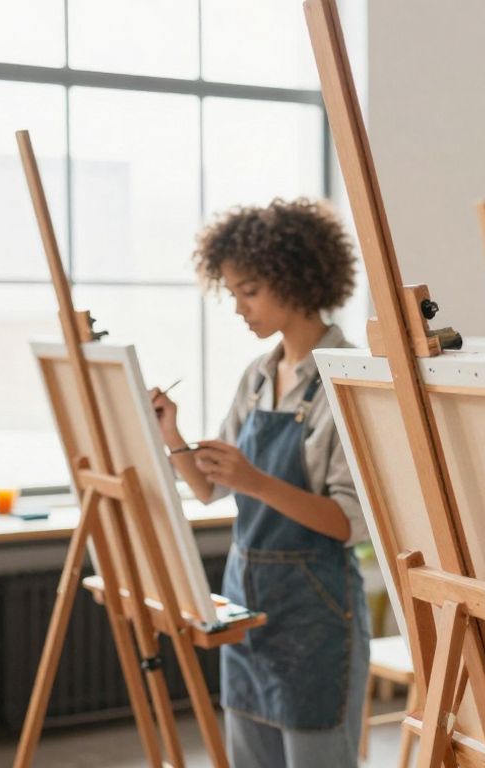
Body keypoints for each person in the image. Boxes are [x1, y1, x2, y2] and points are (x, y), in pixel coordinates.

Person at [151, 198, 370, 768]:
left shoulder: (349, 379)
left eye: (249, 291)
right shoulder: (256, 377)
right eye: (233, 294)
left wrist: (256, 480)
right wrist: (173, 436)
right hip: (248, 601)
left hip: (317, 610)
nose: (239, 308)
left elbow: (348, 524)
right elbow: (209, 489)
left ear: (294, 279)